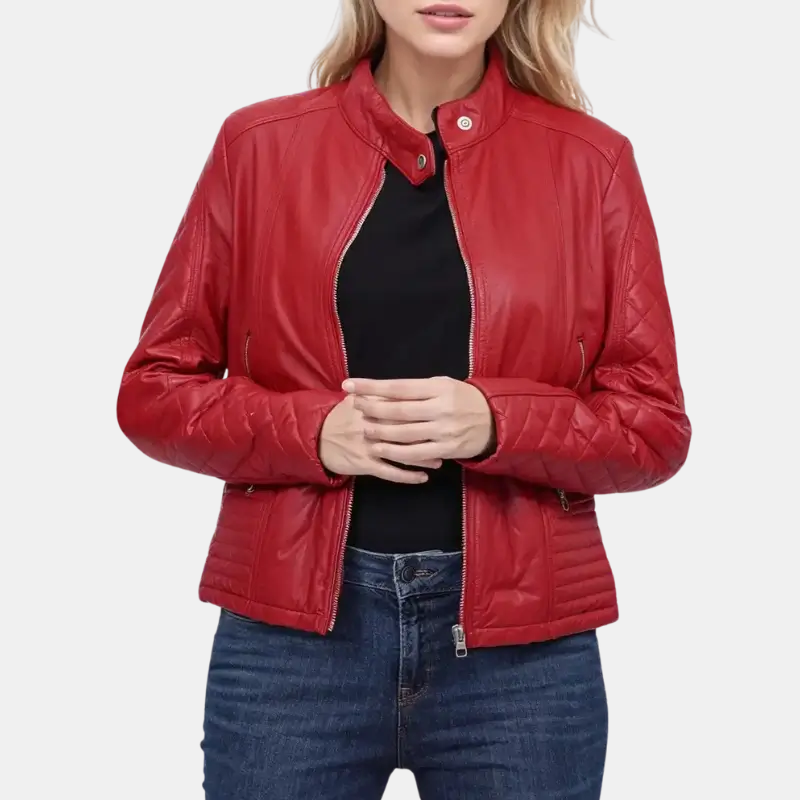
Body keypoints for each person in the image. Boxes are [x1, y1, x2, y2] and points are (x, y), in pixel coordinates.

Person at [116, 1, 692, 797]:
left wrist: (497, 423)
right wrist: (310, 431)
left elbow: (654, 426)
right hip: (290, 643)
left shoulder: (591, 164)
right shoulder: (258, 148)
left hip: (522, 655)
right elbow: (153, 390)